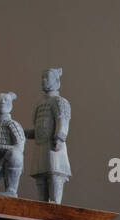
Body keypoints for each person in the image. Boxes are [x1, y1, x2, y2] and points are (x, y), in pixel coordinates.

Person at [28, 68, 71, 203]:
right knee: (41, 176)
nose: (44, 81)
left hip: (54, 145)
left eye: (47, 78)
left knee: (54, 174)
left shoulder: (59, 101)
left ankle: (55, 205)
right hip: (41, 146)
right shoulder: (39, 104)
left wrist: (59, 137)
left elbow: (62, 120)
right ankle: (42, 207)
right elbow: (39, 128)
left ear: (57, 81)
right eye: (42, 78)